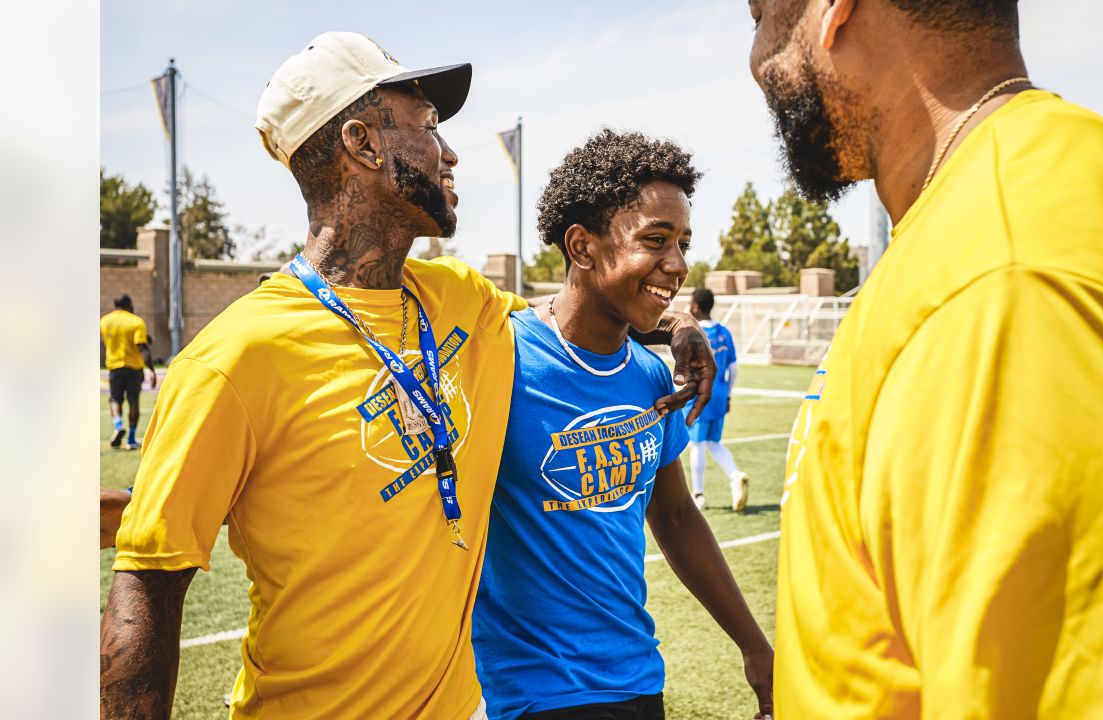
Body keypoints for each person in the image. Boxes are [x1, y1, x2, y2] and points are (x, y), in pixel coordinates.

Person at [99, 33, 714, 720]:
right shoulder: (233, 359)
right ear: (362, 143)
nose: (449, 152)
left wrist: (679, 325)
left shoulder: (462, 299)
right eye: (427, 127)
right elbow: (147, 591)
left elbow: (581, 310)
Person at [748, 1, 1103, 717]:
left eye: (761, 17)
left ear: (833, 11)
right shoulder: (995, 211)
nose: (757, 60)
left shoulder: (1007, 279)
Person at [471, 129, 773, 720]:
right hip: (532, 693)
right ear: (582, 247)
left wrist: (754, 646)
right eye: (655, 241)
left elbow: (676, 515)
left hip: (636, 678)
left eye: (683, 242)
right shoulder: (501, 358)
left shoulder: (651, 377)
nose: (678, 264)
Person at [684, 288, 748, 512]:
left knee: (697, 445)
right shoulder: (724, 332)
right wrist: (728, 394)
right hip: (719, 395)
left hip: (700, 396)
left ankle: (698, 494)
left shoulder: (693, 333)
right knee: (712, 442)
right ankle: (735, 475)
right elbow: (734, 368)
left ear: (694, 307)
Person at [100, 294, 156, 449]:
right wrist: (151, 369)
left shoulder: (104, 321)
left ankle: (118, 425)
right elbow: (141, 346)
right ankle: (131, 439)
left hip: (114, 366)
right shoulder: (136, 321)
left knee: (114, 399)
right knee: (133, 402)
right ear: (129, 305)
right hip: (133, 368)